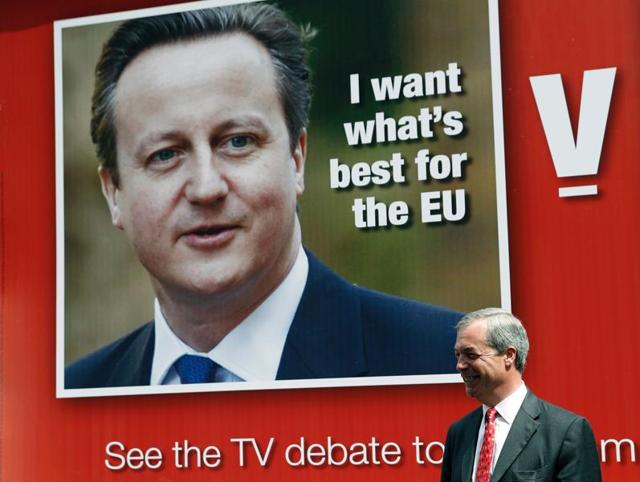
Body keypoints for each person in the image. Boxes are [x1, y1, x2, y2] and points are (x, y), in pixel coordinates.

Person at [65, 3, 460, 389]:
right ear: (113, 192)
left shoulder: (450, 365)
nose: (206, 188)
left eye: (238, 142)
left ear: (297, 158)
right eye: (165, 154)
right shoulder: (71, 398)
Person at [441, 308, 601, 482]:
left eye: (471, 354)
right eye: (458, 355)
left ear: (509, 356)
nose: (460, 365)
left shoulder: (566, 431)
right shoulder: (459, 432)